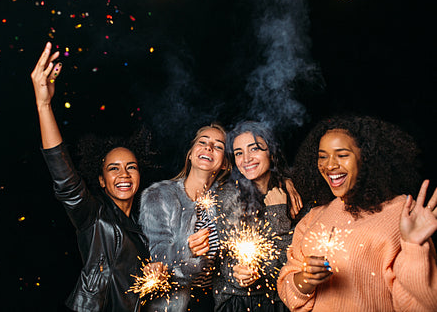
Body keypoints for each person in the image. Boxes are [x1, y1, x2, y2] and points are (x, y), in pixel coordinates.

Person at [31, 42, 149, 311]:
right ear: (101, 180)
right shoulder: (93, 215)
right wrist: (44, 105)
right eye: (113, 168)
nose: (124, 174)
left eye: (131, 166)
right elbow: (65, 180)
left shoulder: (144, 228)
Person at [277, 115, 437, 311]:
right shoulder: (314, 216)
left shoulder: (401, 213)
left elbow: (422, 305)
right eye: (322, 156)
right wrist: (305, 280)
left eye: (342, 155)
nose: (329, 165)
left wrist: (414, 248)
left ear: (366, 157)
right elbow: (288, 291)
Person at [139, 124, 230, 311]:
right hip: (172, 305)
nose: (208, 147)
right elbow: (159, 258)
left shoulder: (229, 202)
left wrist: (285, 181)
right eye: (202, 142)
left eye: (218, 146)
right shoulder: (159, 196)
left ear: (225, 163)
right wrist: (187, 250)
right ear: (190, 154)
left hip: (215, 304)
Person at [213, 121, 301, 312]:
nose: (246, 159)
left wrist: (277, 211)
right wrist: (240, 273)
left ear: (271, 151)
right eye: (238, 153)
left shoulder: (294, 193)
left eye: (254, 149)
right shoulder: (228, 196)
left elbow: (292, 262)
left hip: (283, 301)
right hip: (237, 301)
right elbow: (225, 260)